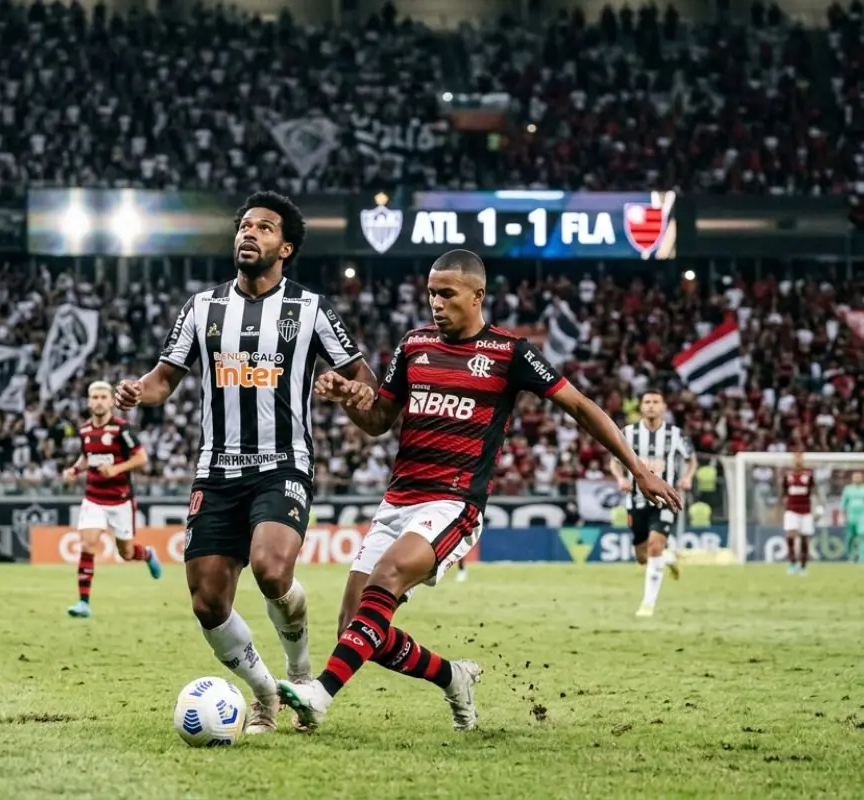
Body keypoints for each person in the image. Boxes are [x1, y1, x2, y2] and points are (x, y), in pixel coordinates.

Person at [277, 249, 682, 732]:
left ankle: (319, 695)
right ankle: (454, 678)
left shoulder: (510, 352)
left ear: (477, 295)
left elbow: (579, 405)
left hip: (454, 502)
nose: (436, 303)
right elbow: (379, 421)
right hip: (398, 500)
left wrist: (636, 467)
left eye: (446, 293)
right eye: (430, 293)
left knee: (385, 579)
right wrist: (348, 398)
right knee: (355, 629)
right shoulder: (414, 345)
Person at [115, 191, 376, 734]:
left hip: (283, 462)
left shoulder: (311, 309)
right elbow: (164, 379)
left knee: (271, 568)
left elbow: (365, 380)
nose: (248, 234)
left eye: (262, 227)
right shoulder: (201, 308)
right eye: (243, 227)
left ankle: (302, 675)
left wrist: (345, 388)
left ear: (286, 247)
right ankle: (264, 694)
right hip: (216, 469)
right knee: (208, 601)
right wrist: (138, 392)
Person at [61, 381, 161, 619]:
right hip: (93, 498)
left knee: (126, 553)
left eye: (103, 397)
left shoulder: (121, 429)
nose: (98, 401)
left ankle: (146, 554)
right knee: (87, 544)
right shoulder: (85, 430)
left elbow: (142, 458)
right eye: (94, 397)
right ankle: (83, 603)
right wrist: (74, 470)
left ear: (111, 401)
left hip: (120, 500)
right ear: (88, 401)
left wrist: (116, 470)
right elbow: (87, 457)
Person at [611, 391, 695, 617]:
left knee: (655, 546)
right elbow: (614, 461)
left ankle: (647, 604)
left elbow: (691, 459)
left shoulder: (674, 434)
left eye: (655, 402)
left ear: (664, 407)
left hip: (665, 499)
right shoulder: (628, 433)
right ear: (640, 407)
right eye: (647, 402)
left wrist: (687, 477)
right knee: (642, 557)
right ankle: (669, 558)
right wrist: (620, 479)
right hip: (636, 499)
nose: (651, 406)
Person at [781, 450, 816, 575]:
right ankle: (792, 563)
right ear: (793, 460)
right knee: (790, 534)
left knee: (804, 537)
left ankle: (803, 566)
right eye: (796, 458)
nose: (798, 460)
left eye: (800, 458)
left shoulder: (809, 474)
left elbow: (813, 490)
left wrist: (816, 506)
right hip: (791, 509)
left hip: (806, 510)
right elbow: (784, 491)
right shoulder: (788, 474)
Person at [841, 471, 864, 563]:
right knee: (850, 537)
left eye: (859, 477)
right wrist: (844, 516)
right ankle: (851, 556)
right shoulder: (848, 489)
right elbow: (843, 504)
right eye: (855, 477)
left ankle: (862, 558)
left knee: (862, 536)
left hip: (862, 517)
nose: (857, 478)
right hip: (851, 516)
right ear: (852, 479)